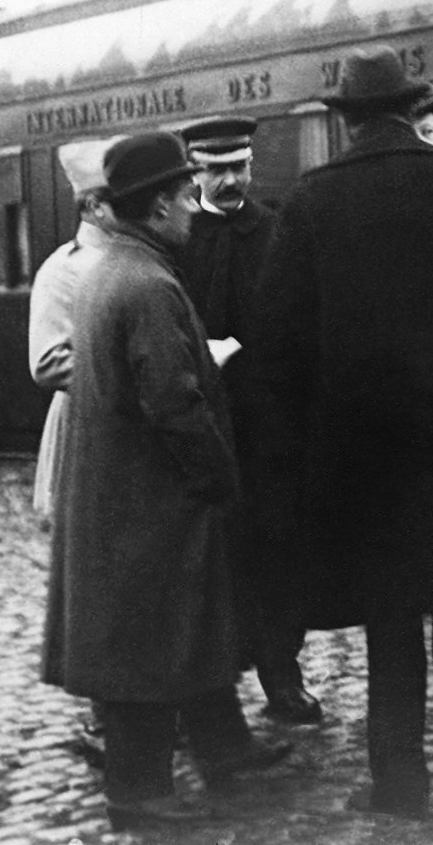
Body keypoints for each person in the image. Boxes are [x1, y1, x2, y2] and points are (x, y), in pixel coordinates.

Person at [249, 46, 433, 817]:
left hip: (366, 460)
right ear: (416, 112)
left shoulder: (311, 203)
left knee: (390, 620)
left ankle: (398, 783)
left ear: (346, 120)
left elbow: (277, 341)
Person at [41, 132, 289, 832]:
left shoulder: (110, 268)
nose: (193, 203)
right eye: (183, 193)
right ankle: (139, 790)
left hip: (123, 496)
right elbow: (173, 402)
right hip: (149, 501)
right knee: (149, 643)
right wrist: (218, 476)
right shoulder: (148, 283)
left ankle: (224, 747)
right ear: (155, 207)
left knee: (187, 626)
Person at [177, 115, 321, 726]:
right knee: (207, 557)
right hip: (202, 425)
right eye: (216, 169)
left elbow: (302, 316)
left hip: (268, 426)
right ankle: (211, 691)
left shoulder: (276, 230)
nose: (231, 179)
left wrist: (252, 351)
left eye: (239, 166)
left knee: (278, 553)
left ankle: (281, 673)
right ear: (195, 173)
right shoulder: (179, 239)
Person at [27, 140, 118, 526]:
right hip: (88, 426)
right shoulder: (62, 270)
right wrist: (129, 374)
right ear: (93, 206)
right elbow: (47, 362)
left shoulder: (139, 254)